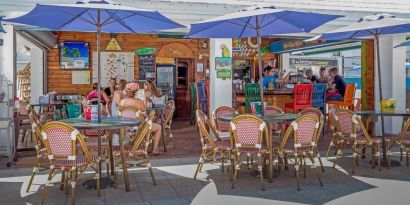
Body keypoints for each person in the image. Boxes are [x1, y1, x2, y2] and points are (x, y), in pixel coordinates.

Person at [119, 82, 163, 156]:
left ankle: (143, 145)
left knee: (147, 124)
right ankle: (154, 149)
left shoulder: (122, 102)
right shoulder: (138, 102)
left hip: (126, 127)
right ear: (136, 92)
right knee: (158, 127)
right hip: (139, 128)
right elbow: (145, 110)